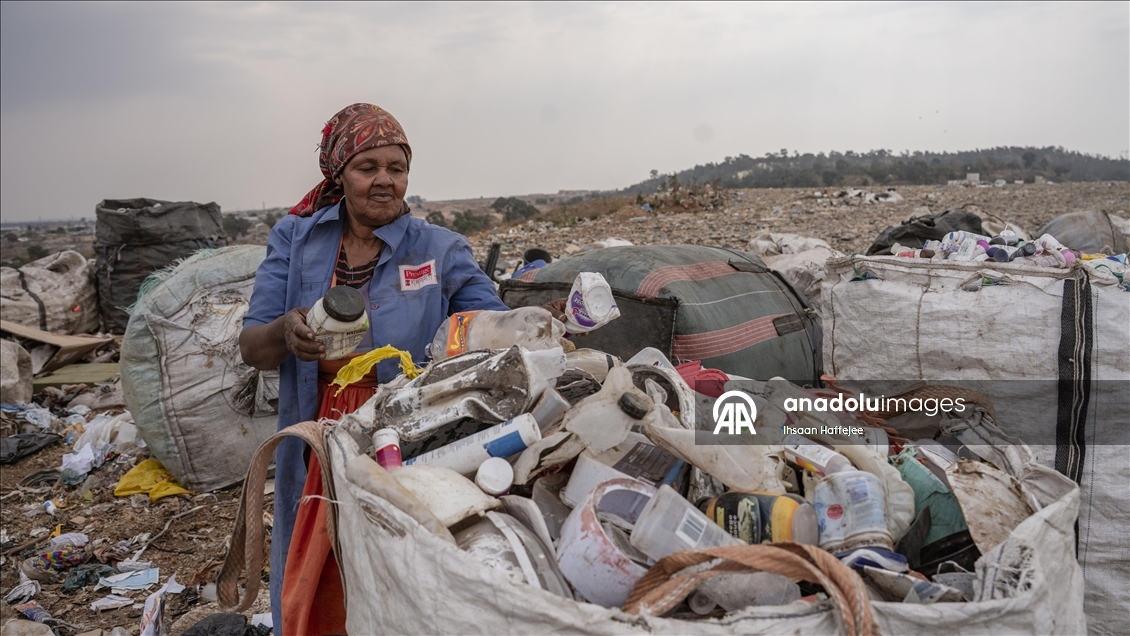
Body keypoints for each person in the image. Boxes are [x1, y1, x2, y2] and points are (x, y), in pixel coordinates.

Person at [239, 103, 509, 635]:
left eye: (397, 168)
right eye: (368, 167)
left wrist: (536, 322)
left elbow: (490, 328)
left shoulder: (439, 249)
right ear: (339, 174)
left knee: (401, 560)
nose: (385, 180)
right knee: (322, 563)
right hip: (319, 434)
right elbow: (252, 347)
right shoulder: (296, 239)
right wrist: (285, 333)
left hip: (406, 434)